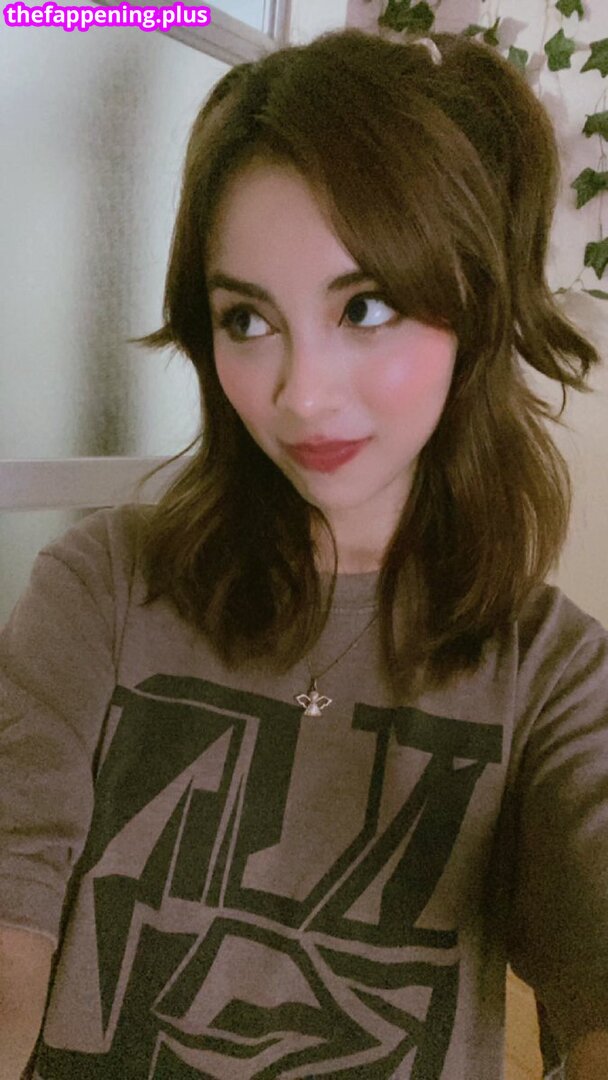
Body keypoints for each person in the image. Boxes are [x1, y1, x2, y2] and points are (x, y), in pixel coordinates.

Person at [1, 26, 607, 1080]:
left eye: (363, 307)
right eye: (247, 318)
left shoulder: (551, 678)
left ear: (471, 307)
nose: (300, 395)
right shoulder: (101, 585)